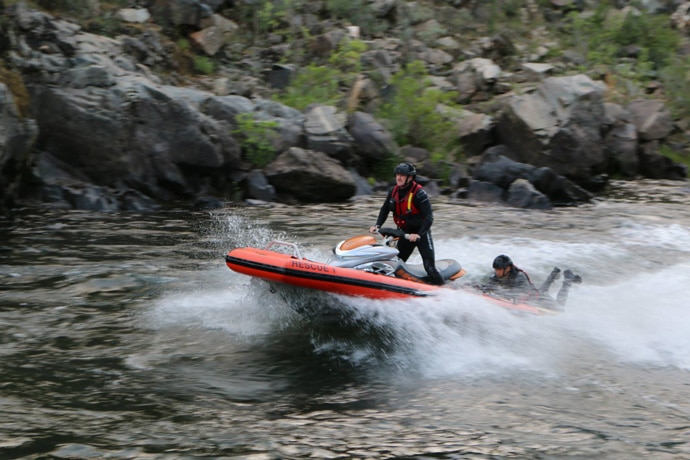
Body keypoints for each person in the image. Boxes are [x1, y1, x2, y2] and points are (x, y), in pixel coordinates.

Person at [369, 162, 444, 285]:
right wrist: (377, 225)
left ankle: (445, 292)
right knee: (396, 264)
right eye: (397, 175)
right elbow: (385, 209)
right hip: (405, 234)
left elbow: (429, 217)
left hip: (421, 234)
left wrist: (419, 234)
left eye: (402, 175)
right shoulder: (393, 191)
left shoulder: (419, 194)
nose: (399, 178)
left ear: (410, 177)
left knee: (429, 268)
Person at [480, 254, 582, 309]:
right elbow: (488, 285)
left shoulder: (519, 276)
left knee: (560, 307)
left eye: (499, 270)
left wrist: (500, 295)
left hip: (539, 300)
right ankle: (553, 274)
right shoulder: (498, 275)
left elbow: (517, 295)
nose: (496, 272)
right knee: (540, 290)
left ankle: (568, 280)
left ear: (507, 268)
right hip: (535, 294)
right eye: (496, 270)